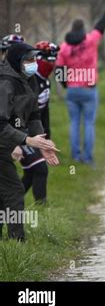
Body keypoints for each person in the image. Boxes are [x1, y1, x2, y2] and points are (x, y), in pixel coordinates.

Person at [0, 43, 60, 241]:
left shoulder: (30, 78)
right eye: (28, 60)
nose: (33, 63)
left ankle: (8, 241)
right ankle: (18, 242)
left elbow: (34, 115)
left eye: (34, 59)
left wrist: (42, 143)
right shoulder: (6, 82)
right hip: (4, 139)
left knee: (6, 193)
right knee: (15, 191)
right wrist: (24, 140)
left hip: (8, 139)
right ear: (17, 61)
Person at [56, 0, 105, 165]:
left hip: (73, 91)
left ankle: (76, 158)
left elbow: (59, 70)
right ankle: (88, 158)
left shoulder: (64, 48)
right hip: (89, 89)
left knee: (74, 123)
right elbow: (103, 21)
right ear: (83, 30)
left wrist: (66, 86)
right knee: (89, 124)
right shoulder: (91, 40)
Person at [15, 41, 60, 205]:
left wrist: (46, 137)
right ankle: (42, 209)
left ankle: (9, 203)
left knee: (30, 172)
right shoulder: (26, 82)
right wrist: (19, 141)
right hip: (21, 132)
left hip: (34, 132)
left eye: (53, 61)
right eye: (48, 60)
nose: (51, 64)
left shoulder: (45, 82)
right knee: (40, 169)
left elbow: (43, 113)